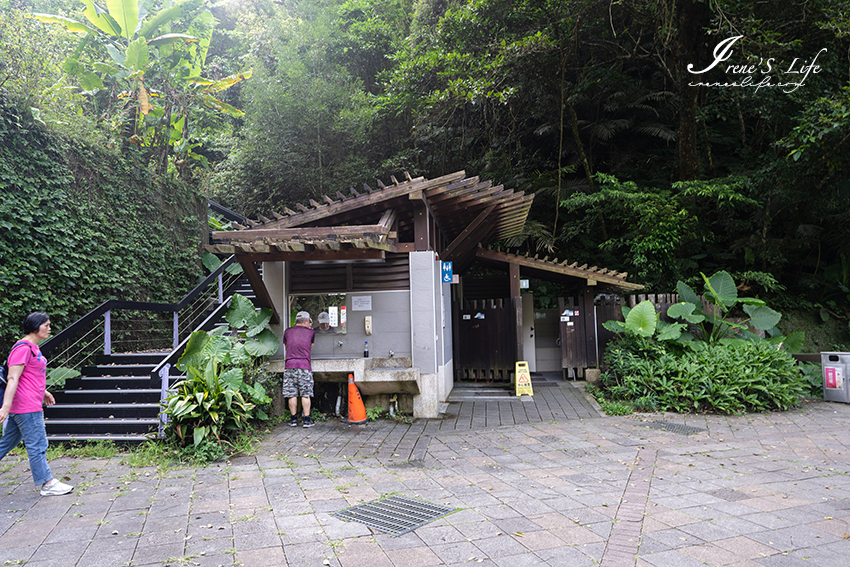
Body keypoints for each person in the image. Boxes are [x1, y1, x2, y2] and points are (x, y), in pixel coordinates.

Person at [0, 312, 73, 496]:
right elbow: (13, 377)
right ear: (35, 326)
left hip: (29, 403)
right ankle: (47, 483)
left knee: (7, 443)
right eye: (46, 325)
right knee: (38, 444)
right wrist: (5, 408)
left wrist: (44, 392)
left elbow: (30, 377)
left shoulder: (33, 348)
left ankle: (47, 481)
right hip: (26, 407)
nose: (49, 328)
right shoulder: (22, 348)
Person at [282, 311, 316, 428]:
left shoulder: (287, 331)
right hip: (304, 366)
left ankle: (293, 420)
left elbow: (287, 347)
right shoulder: (311, 332)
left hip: (290, 365)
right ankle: (306, 420)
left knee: (292, 394)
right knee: (305, 394)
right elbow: (309, 348)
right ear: (306, 321)